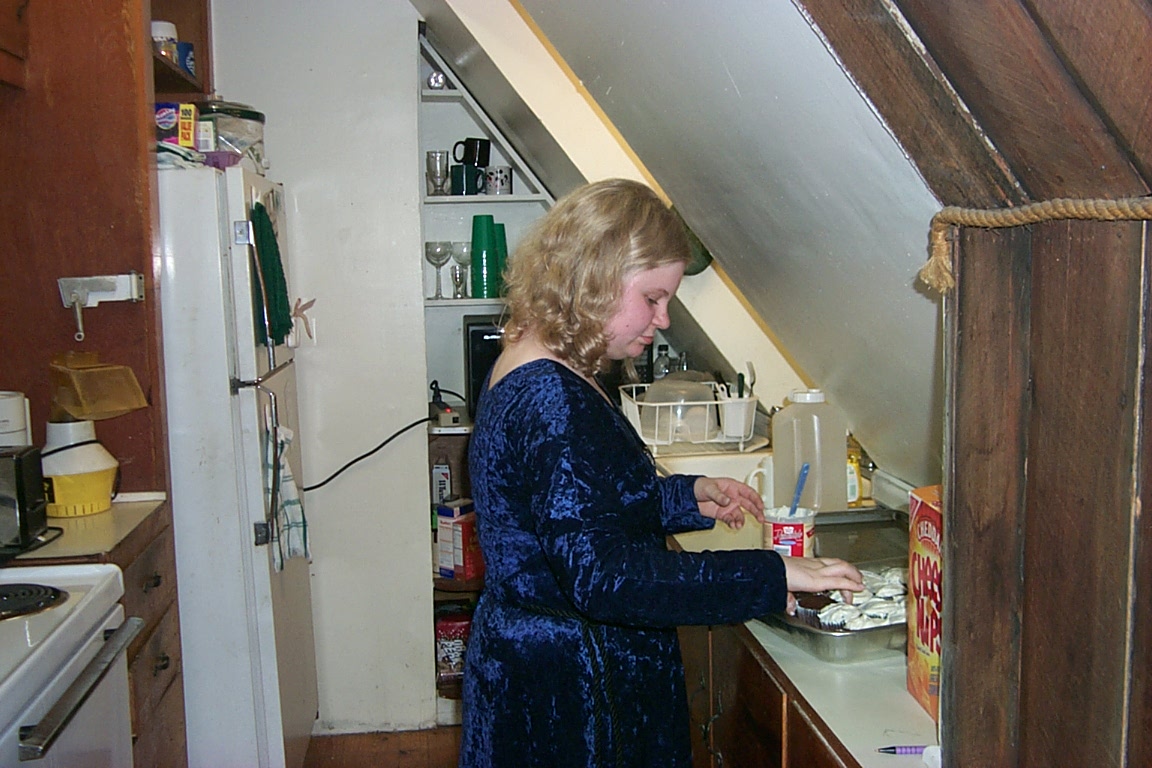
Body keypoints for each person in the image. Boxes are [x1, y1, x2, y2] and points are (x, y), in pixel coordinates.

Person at [460, 179, 863, 767]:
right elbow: (604, 577)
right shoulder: (551, 396)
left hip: (534, 667)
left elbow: (576, 507)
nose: (664, 318)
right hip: (576, 692)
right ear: (595, 277)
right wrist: (772, 572)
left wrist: (684, 497)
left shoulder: (531, 361)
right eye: (652, 297)